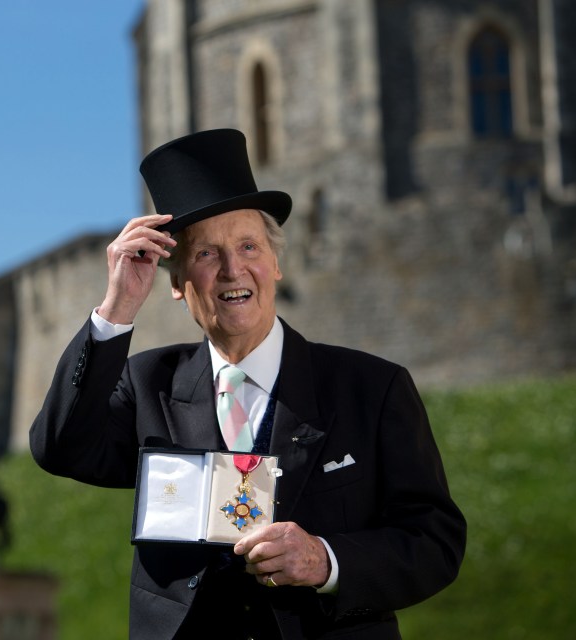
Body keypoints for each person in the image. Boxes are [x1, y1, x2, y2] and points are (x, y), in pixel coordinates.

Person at [30, 128, 466, 639]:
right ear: (177, 283)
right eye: (206, 254)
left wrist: (325, 561)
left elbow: (435, 541)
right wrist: (117, 309)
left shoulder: (372, 388)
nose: (234, 269)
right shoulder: (148, 385)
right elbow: (59, 447)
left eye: (248, 246)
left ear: (276, 263)